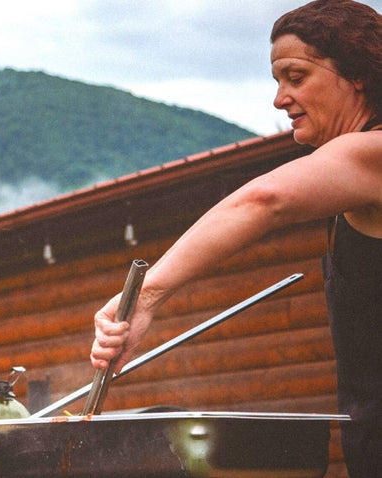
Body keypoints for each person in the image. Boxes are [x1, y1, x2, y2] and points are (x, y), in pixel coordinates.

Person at [89, 1, 382, 475]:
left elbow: (263, 200)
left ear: (357, 75)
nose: (280, 98)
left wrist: (148, 294)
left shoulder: (373, 152)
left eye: (296, 76)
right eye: (277, 81)